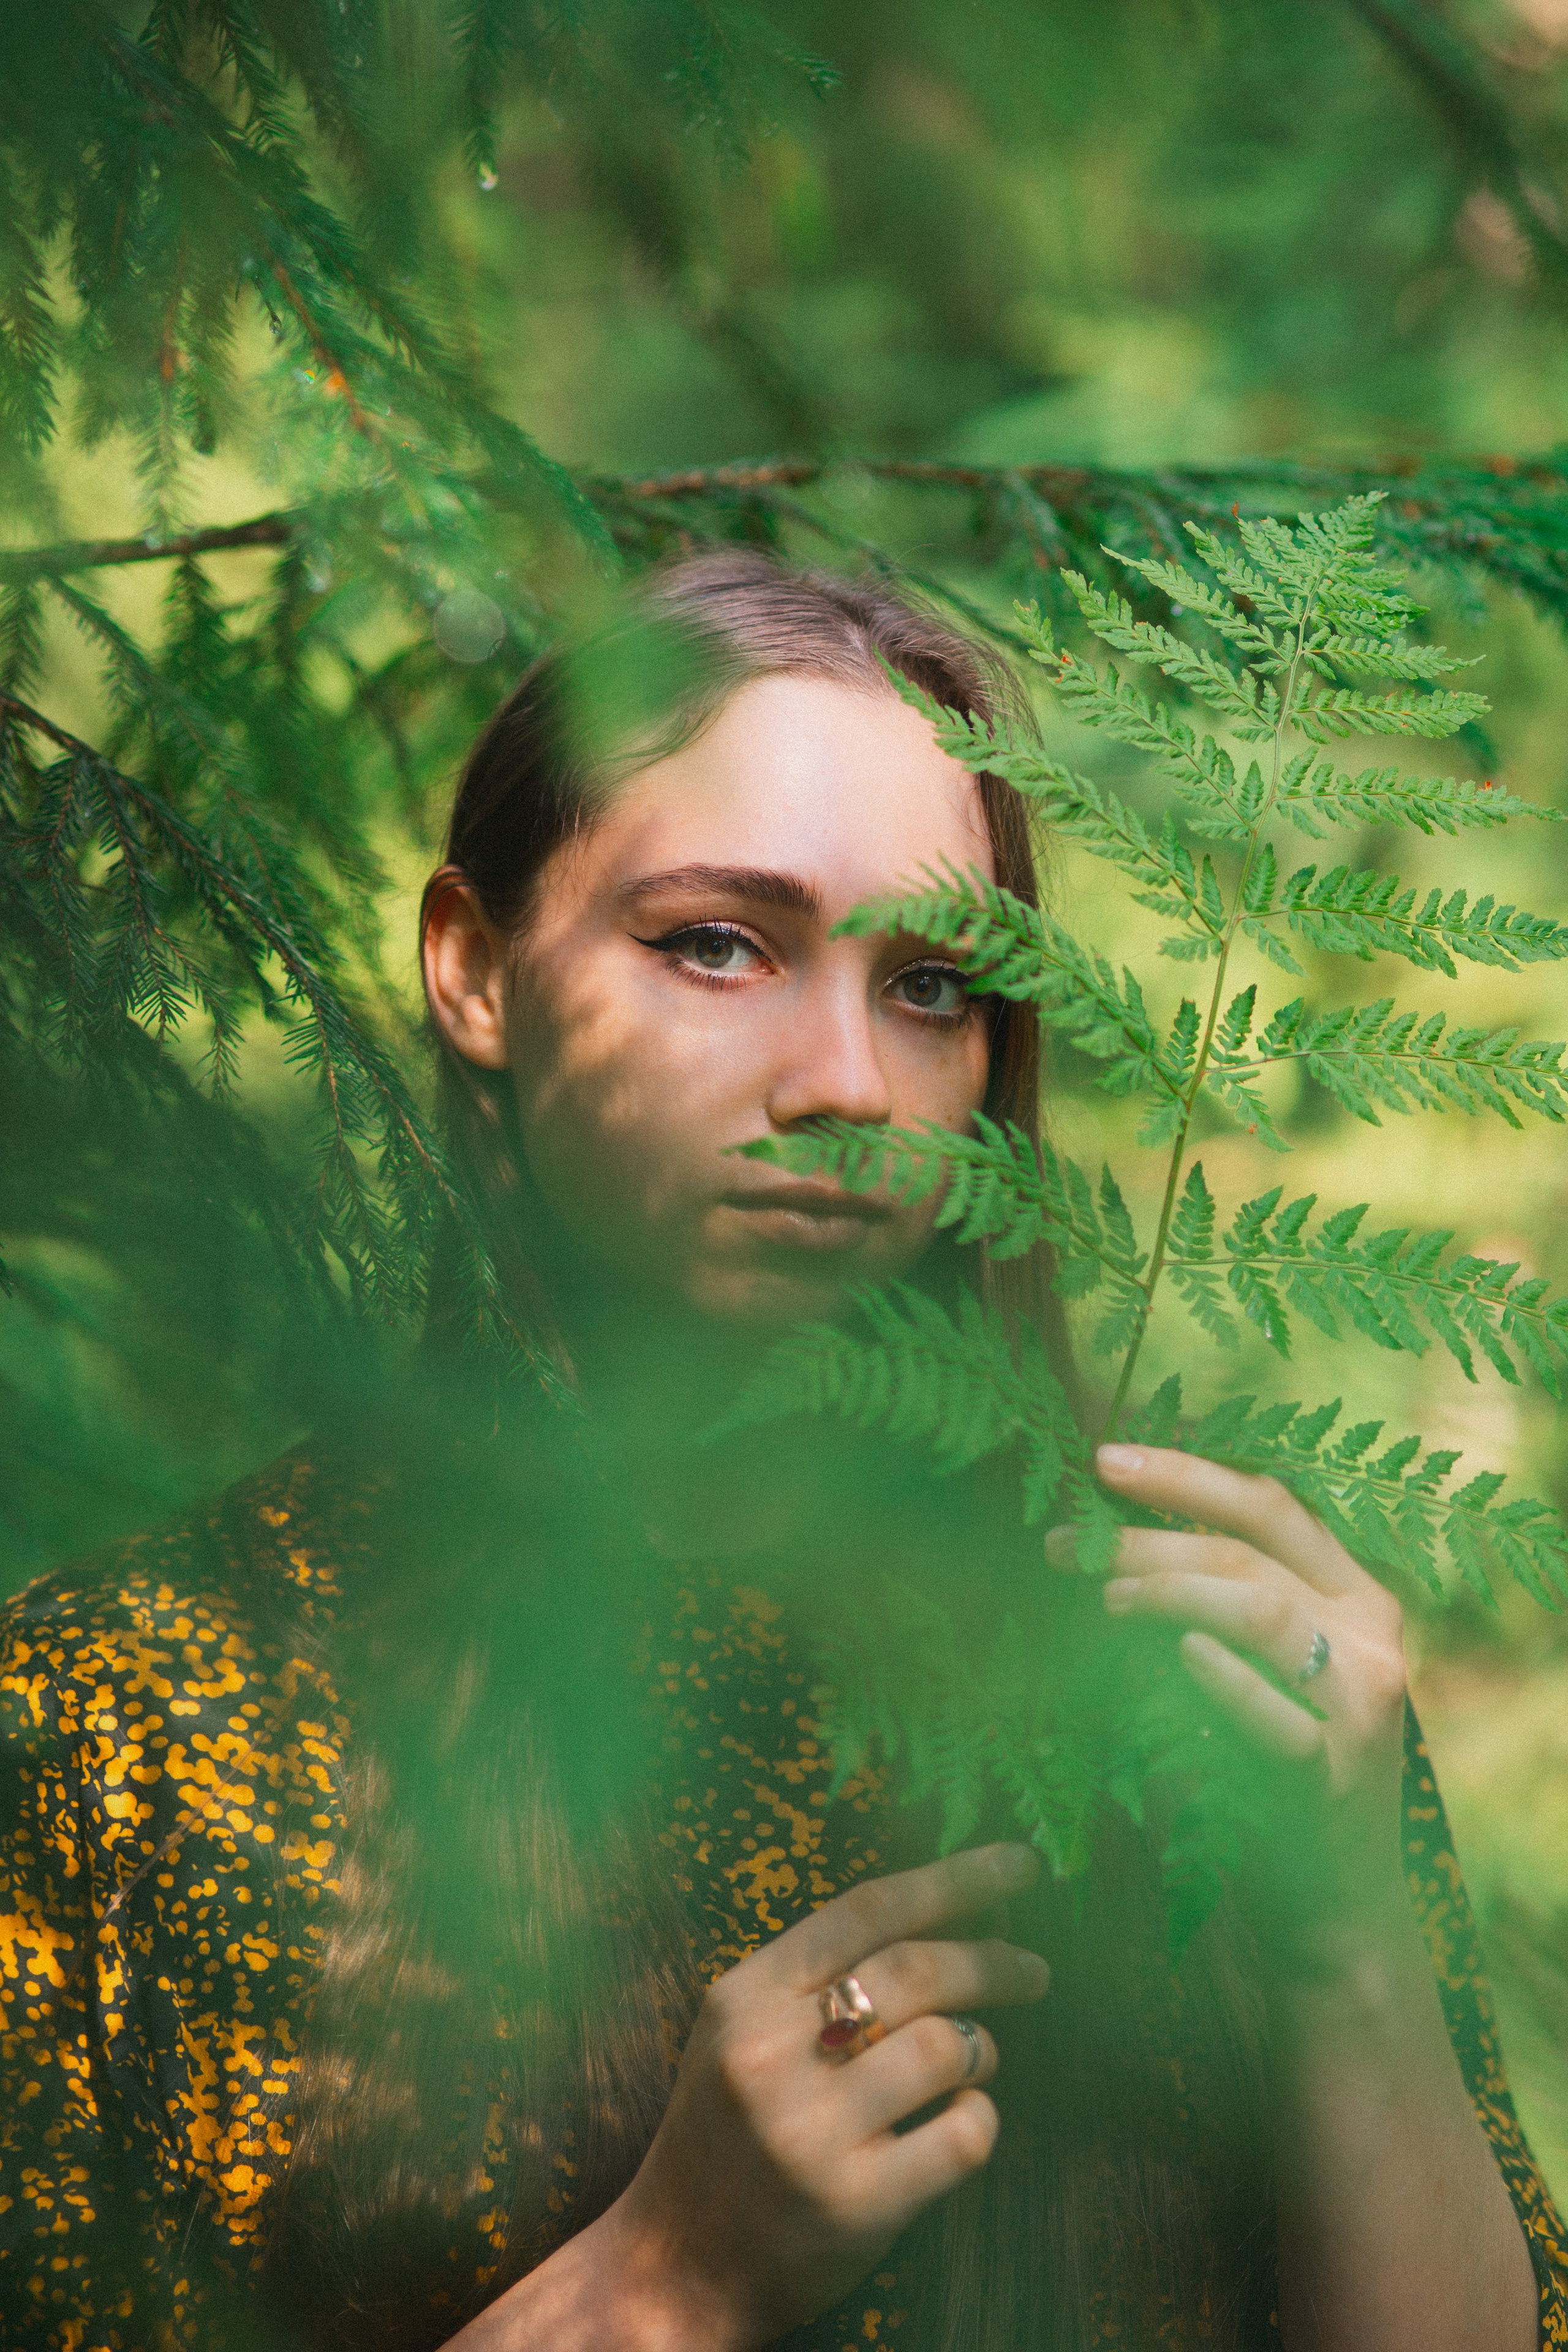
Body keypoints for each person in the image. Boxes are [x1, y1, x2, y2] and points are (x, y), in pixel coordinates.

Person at [1, 554, 1563, 2352]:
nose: (847, 1082)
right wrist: (660, 2285)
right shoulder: (121, 1721)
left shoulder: (1190, 1671)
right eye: (720, 945)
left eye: (931, 989)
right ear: (476, 971)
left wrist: (1346, 1945)